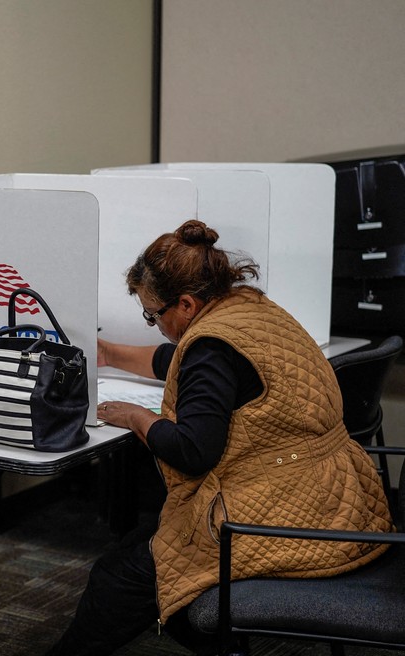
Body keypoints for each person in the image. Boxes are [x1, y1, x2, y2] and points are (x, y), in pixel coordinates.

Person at [46, 219, 393, 656]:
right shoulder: (250, 311)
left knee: (119, 576)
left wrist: (136, 417)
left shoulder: (211, 345)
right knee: (143, 545)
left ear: (187, 304)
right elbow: (178, 360)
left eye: (154, 315)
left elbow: (193, 450)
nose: (155, 324)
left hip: (285, 516)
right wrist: (110, 354)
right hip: (336, 499)